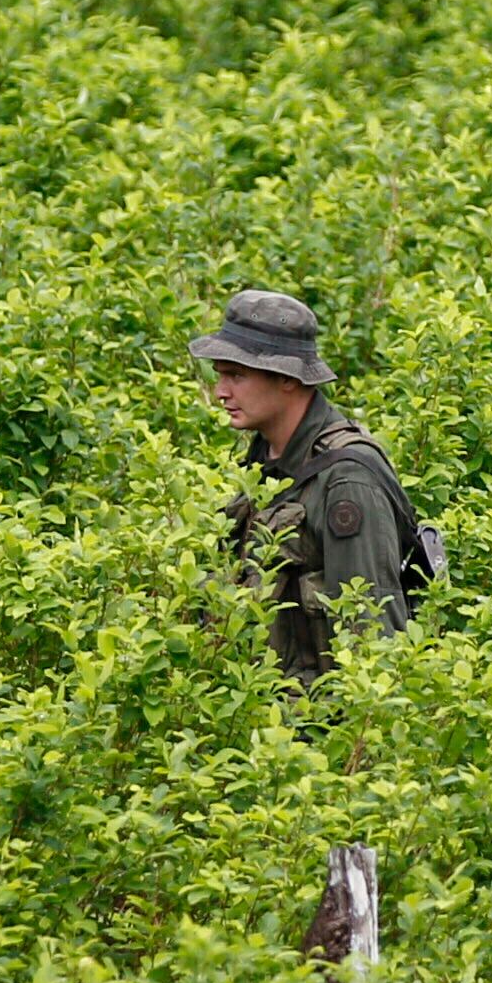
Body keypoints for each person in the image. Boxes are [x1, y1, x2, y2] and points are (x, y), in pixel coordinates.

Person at [192, 290, 418, 686]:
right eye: (220, 374)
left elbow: (374, 642)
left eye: (238, 375)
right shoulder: (267, 458)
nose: (221, 392)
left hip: (318, 730)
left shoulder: (348, 482)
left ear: (287, 379)